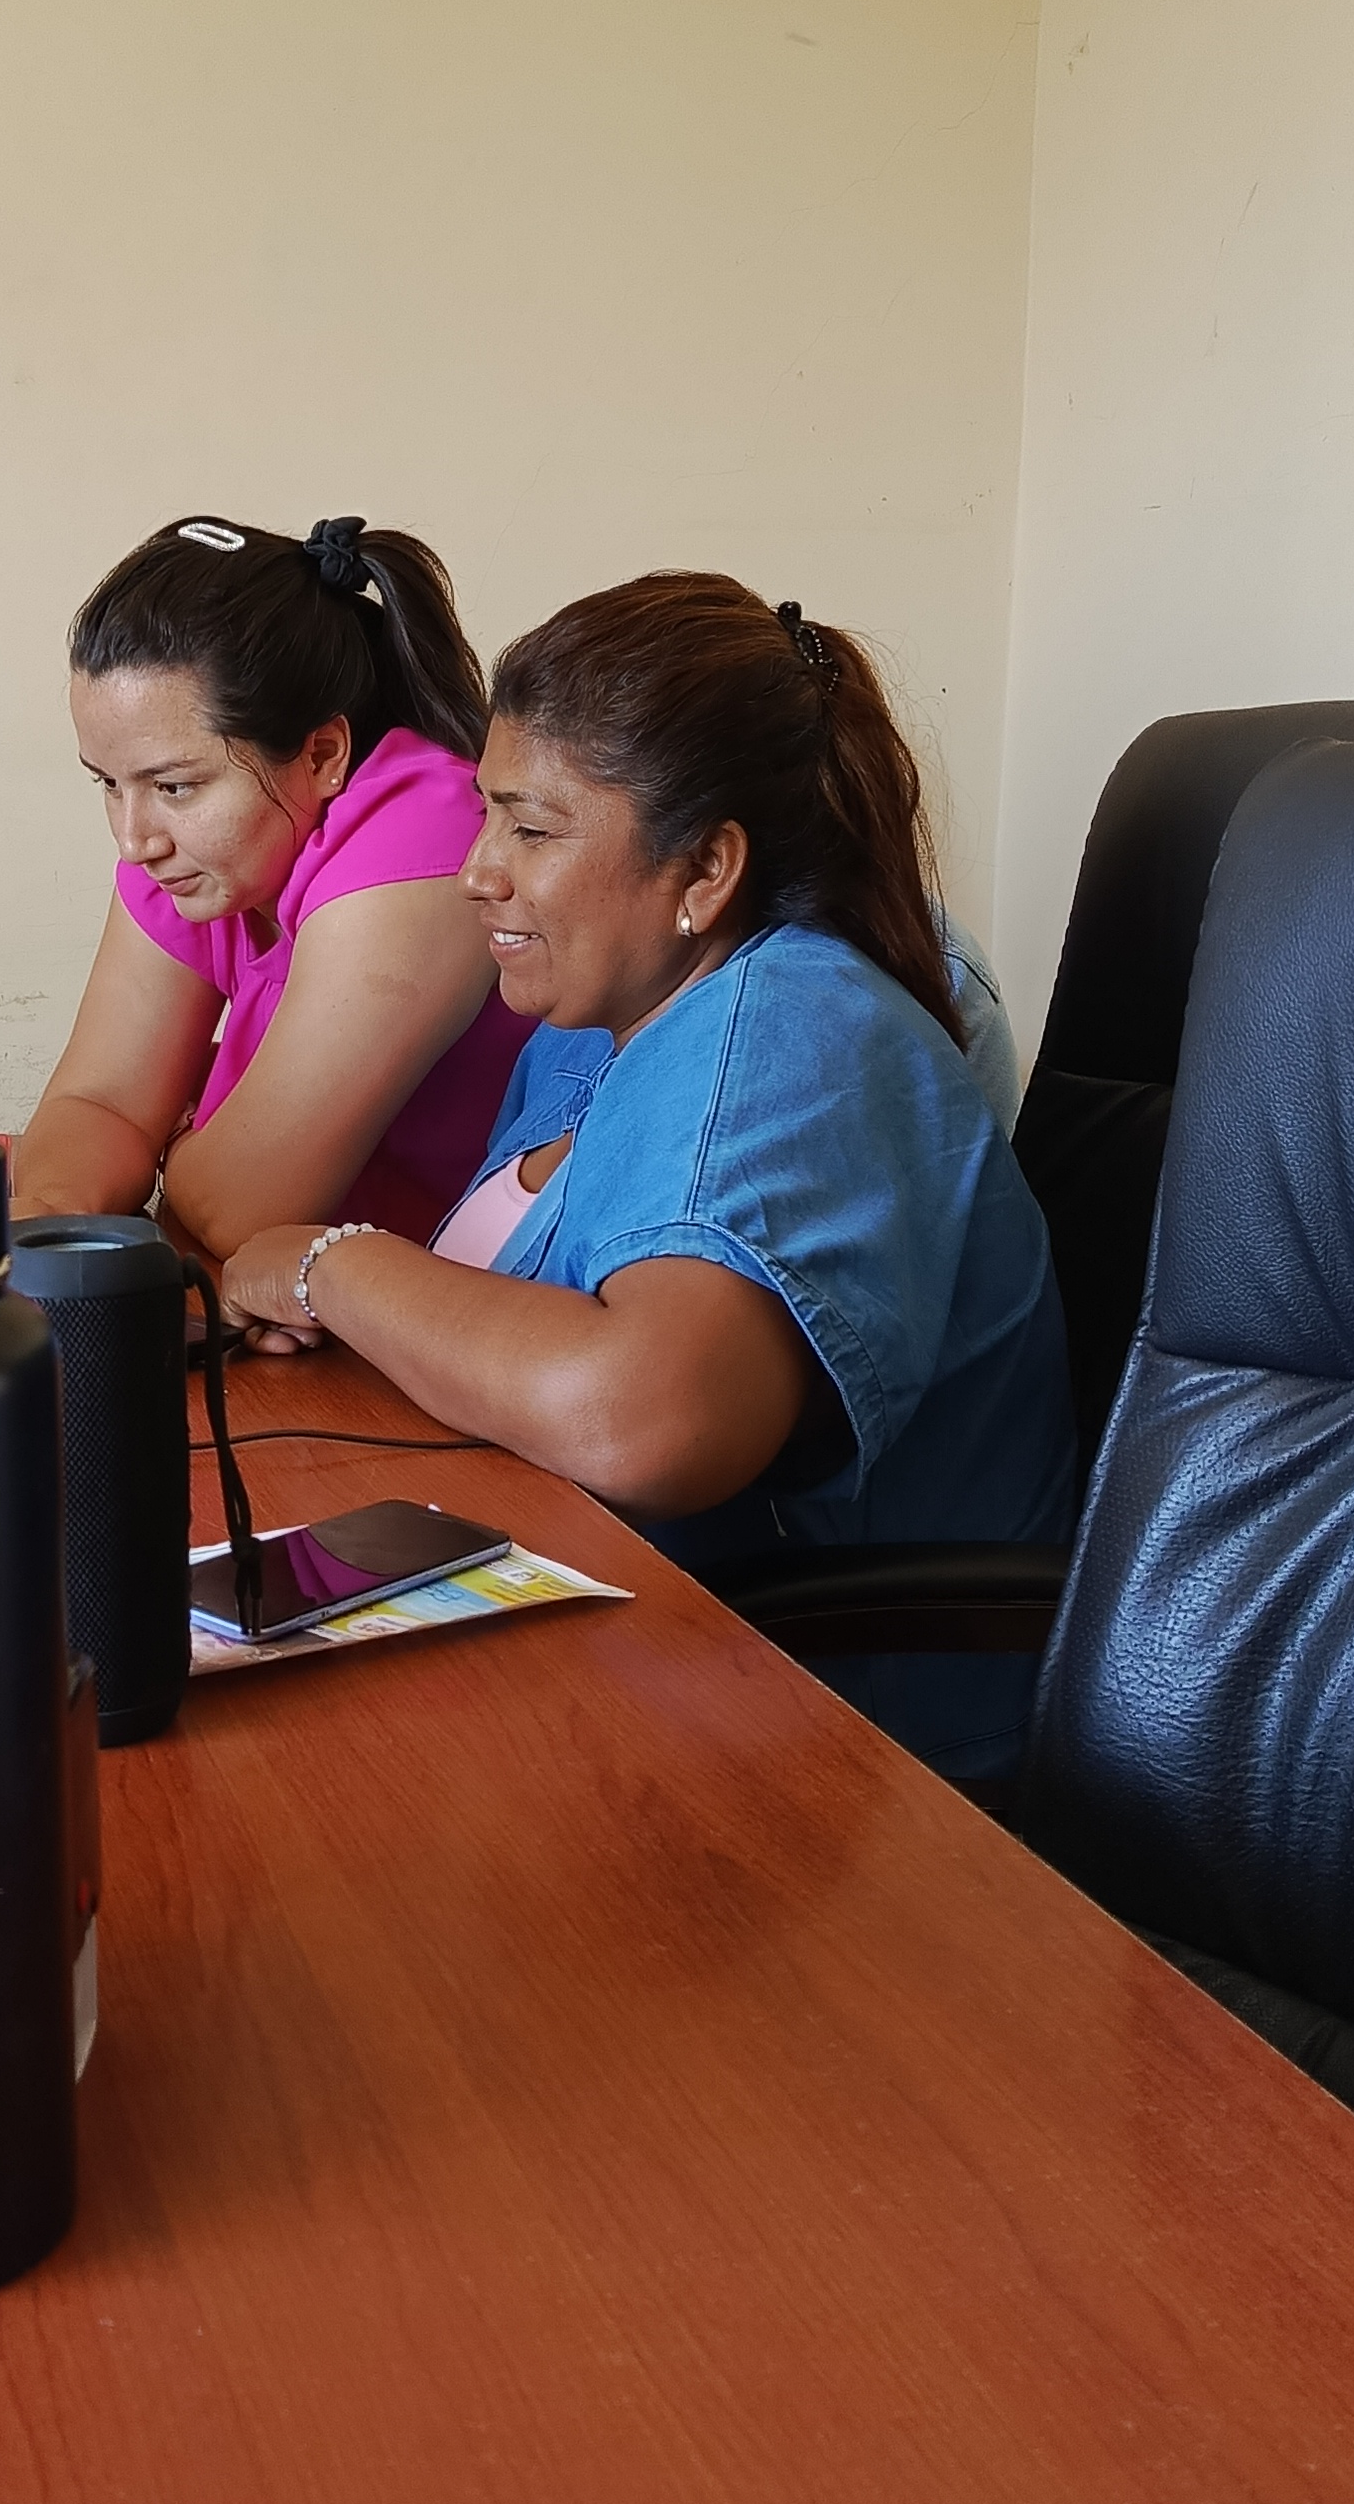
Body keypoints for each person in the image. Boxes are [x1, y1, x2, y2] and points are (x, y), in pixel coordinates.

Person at [219, 573, 1074, 1784]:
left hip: (837, 1754)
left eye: (531, 828)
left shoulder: (792, 1030)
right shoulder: (591, 1023)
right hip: (595, 1649)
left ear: (707, 868)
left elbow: (648, 1416)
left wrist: (330, 1264)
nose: (476, 870)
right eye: (486, 814)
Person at [14, 514, 531, 1261]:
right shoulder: (198, 860)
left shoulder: (427, 831)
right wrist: (48, 1216)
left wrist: (173, 1146)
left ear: (322, 754)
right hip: (294, 1300)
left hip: (458, 1306)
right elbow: (100, 1103)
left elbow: (242, 1209)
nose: (133, 840)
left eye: (175, 785)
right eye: (109, 784)